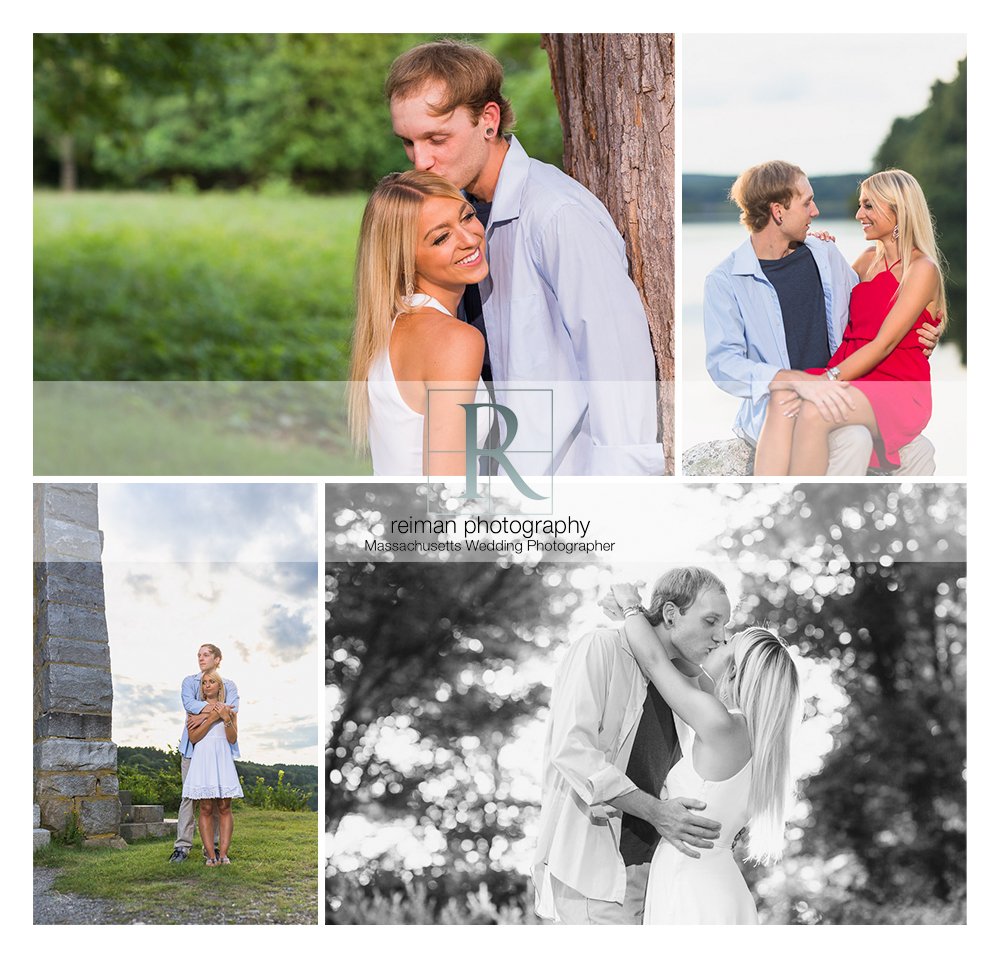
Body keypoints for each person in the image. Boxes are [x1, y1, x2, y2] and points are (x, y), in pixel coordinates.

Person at [386, 40, 662, 476]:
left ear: (488, 121)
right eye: (408, 142)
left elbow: (619, 367)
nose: (421, 160)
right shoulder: (456, 217)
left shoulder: (557, 216)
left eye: (437, 138)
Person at [704, 160, 942, 475]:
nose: (815, 211)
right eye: (807, 203)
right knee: (785, 395)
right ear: (778, 211)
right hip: (817, 387)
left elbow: (890, 323)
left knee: (849, 430)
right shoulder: (725, 280)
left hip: (848, 383)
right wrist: (791, 380)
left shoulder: (826, 255)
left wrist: (927, 332)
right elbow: (723, 366)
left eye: (867, 206)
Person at [531, 567, 730, 924]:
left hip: (652, 875)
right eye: (711, 621)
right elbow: (573, 751)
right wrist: (656, 811)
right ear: (670, 614)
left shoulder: (684, 686)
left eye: (724, 626)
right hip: (596, 874)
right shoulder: (600, 648)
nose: (720, 636)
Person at [607, 583, 801, 925]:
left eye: (728, 642)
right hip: (713, 883)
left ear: (738, 671)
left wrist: (631, 607)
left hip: (692, 886)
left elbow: (654, 661)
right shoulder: (760, 743)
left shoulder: (722, 726)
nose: (717, 640)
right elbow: (697, 677)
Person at [347, 170, 490, 476]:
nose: (469, 239)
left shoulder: (390, 330)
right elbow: (447, 492)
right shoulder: (455, 341)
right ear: (405, 259)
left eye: (466, 217)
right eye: (441, 237)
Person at [168, 643, 240, 863]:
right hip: (193, 749)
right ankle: (182, 847)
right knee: (190, 798)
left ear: (218, 659)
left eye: (206, 655)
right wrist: (218, 711)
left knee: (217, 800)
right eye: (199, 655)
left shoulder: (230, 685)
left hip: (220, 751)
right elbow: (189, 705)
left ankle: (214, 849)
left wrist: (203, 714)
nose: (201, 658)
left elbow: (232, 710)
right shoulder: (189, 682)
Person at [182, 669, 242, 866]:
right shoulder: (195, 710)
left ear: (219, 686)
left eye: (211, 681)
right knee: (206, 806)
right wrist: (211, 718)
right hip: (203, 757)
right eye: (204, 682)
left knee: (224, 806)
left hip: (222, 756)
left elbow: (232, 738)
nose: (207, 685)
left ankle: (223, 854)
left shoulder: (230, 709)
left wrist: (225, 718)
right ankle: (210, 854)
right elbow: (194, 737)